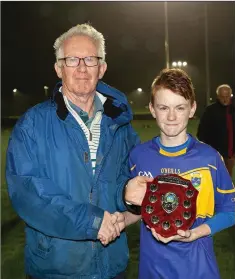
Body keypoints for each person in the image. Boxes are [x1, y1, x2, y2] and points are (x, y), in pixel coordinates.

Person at [5, 23, 151, 279]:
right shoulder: (32, 125)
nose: (82, 68)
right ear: (58, 68)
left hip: (112, 267)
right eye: (72, 59)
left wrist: (128, 197)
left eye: (90, 59)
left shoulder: (120, 125)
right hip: (55, 269)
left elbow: (124, 184)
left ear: (102, 68)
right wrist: (93, 222)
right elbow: (29, 193)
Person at [122, 69, 235, 279]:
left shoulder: (209, 158)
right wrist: (120, 218)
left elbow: (231, 210)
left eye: (180, 107)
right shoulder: (138, 157)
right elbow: (138, 210)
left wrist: (196, 233)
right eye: (163, 107)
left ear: (192, 109)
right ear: (152, 109)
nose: (172, 116)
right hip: (152, 269)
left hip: (198, 269)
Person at [197, 84, 235, 177]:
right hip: (214, 154)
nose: (225, 99)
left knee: (227, 179)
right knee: (213, 178)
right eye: (222, 97)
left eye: (227, 96)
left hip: (230, 154)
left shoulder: (233, 110)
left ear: (231, 95)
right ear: (218, 96)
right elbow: (202, 132)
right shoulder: (210, 110)